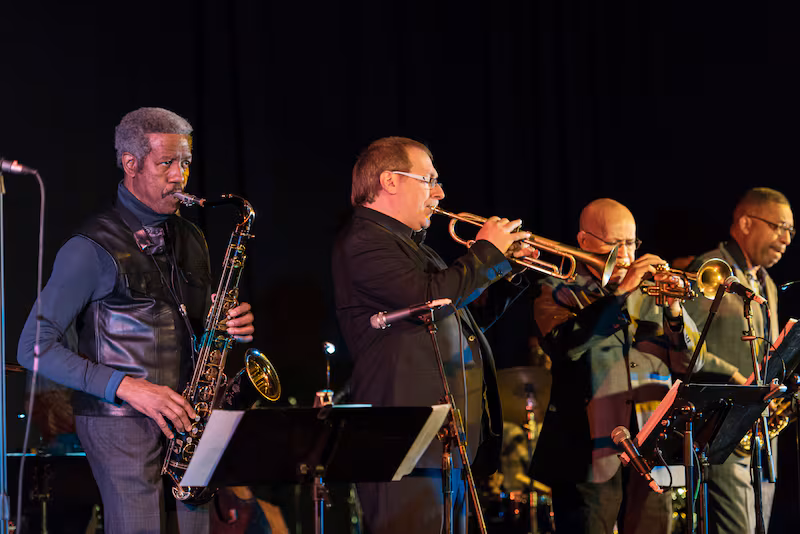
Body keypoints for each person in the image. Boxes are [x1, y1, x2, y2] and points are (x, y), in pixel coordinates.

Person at [17, 107, 256, 533]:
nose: (179, 176)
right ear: (130, 164)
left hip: (187, 418)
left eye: (185, 163)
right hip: (121, 422)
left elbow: (188, 326)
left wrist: (223, 325)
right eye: (166, 163)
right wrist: (127, 387)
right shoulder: (90, 247)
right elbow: (33, 345)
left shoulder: (190, 237)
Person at [332, 136, 536, 534]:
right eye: (429, 179)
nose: (439, 193)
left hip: (443, 444)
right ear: (390, 181)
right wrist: (487, 254)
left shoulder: (413, 248)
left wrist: (508, 271)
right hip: (404, 443)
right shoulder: (364, 241)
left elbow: (459, 318)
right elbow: (429, 298)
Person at [530, 198, 711, 534]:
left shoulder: (653, 292)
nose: (628, 255)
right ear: (584, 241)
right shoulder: (557, 288)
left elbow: (693, 363)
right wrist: (622, 294)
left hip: (653, 453)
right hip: (586, 456)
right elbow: (564, 347)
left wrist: (673, 311)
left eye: (632, 243)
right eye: (616, 244)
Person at [683, 187, 793, 534]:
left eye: (791, 231)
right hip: (724, 427)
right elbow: (687, 344)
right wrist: (734, 376)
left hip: (760, 433)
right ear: (745, 223)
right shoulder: (710, 269)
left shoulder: (768, 283)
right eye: (779, 227)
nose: (786, 238)